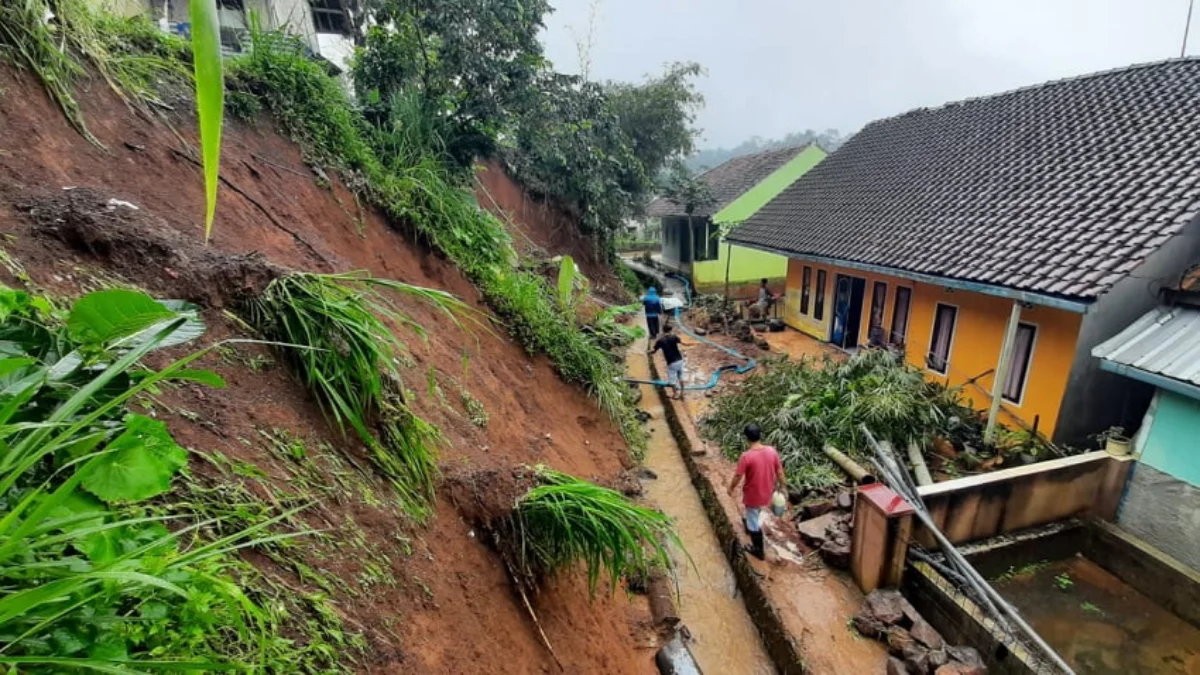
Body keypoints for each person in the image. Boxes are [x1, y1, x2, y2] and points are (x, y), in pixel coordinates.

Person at [727, 423, 785, 560]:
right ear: (760, 436)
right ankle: (750, 524)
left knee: (753, 519)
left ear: (746, 438)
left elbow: (737, 476)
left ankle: (758, 550)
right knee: (755, 510)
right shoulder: (772, 451)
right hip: (767, 491)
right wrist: (782, 486)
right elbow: (780, 472)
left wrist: (730, 488)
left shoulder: (746, 456)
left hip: (753, 494)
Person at [651, 324, 685, 399]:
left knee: (672, 381)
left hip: (671, 363)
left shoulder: (660, 341)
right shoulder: (674, 337)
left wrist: (648, 352)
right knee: (680, 376)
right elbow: (684, 343)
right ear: (670, 330)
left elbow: (653, 351)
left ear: (663, 331)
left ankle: (675, 394)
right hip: (680, 360)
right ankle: (682, 392)